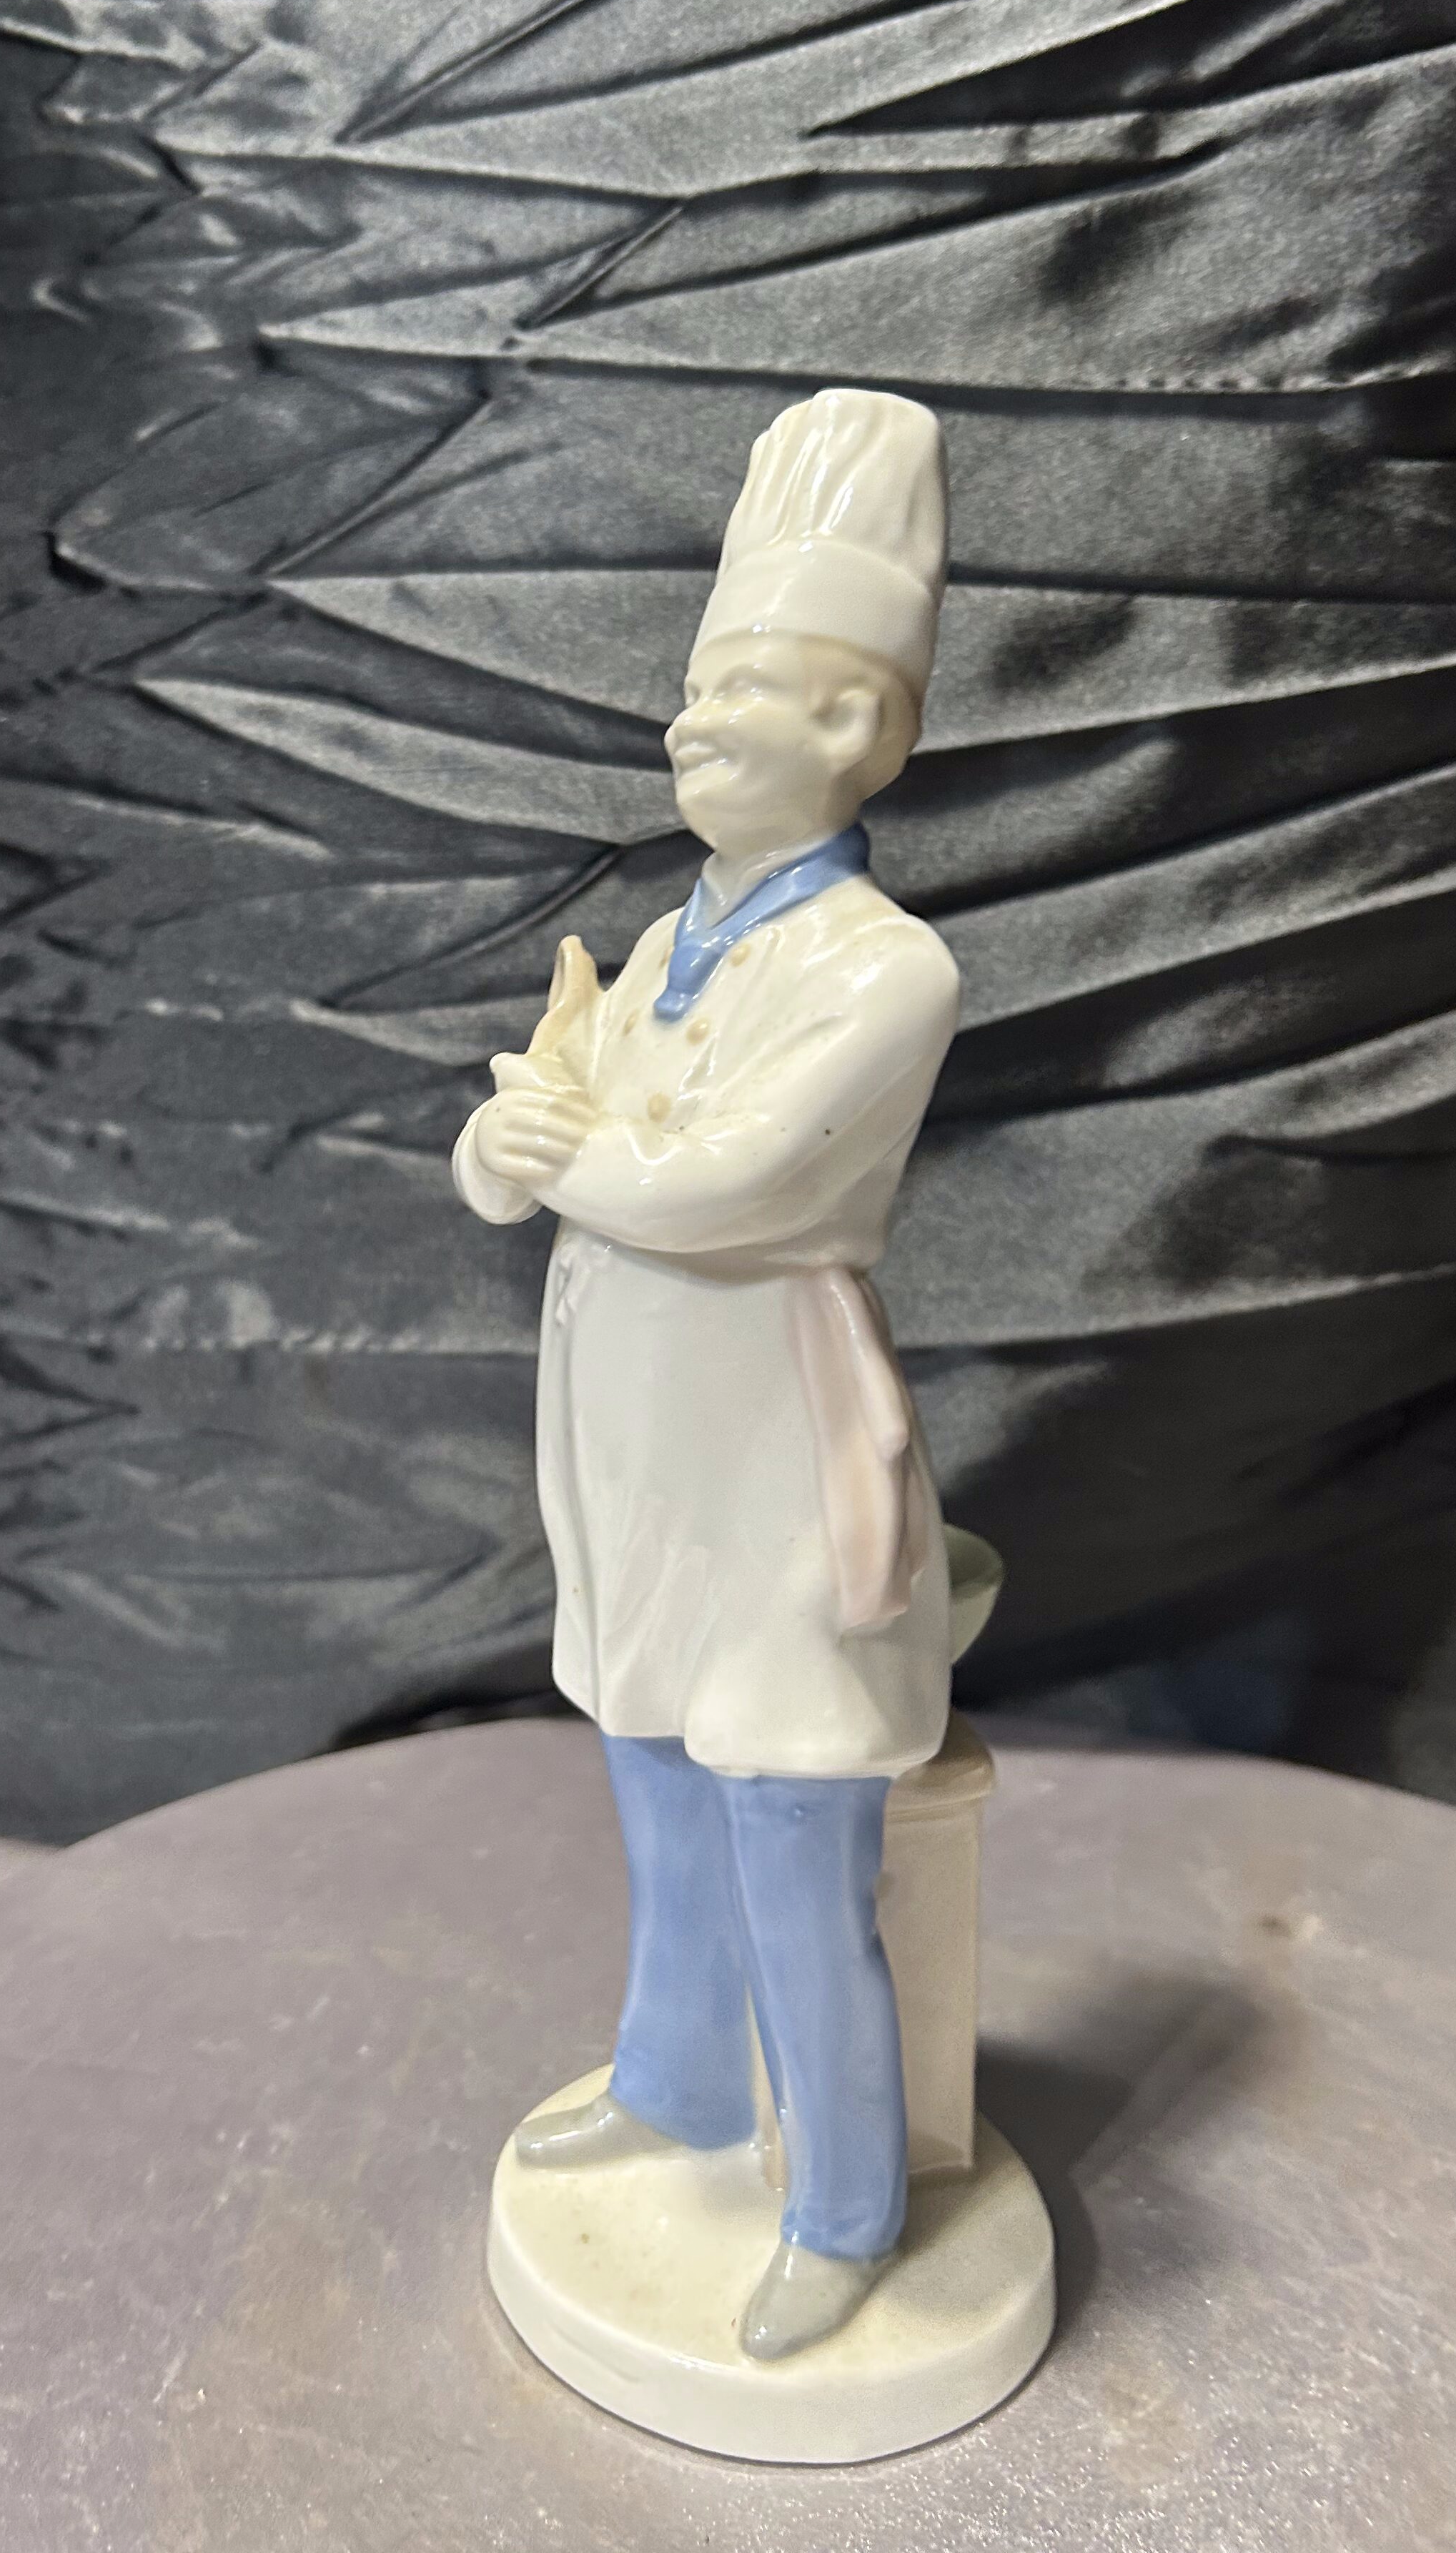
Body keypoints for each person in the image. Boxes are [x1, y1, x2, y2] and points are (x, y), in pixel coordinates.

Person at [453, 387, 961, 2363]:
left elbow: (725, 1183)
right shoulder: (666, 939)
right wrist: (500, 1146)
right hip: (634, 1457)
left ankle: (842, 2203)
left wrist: (570, 1148)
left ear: (855, 725)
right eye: (693, 684)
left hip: (772, 1453)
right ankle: (674, 2080)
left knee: (791, 1826)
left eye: (738, 690)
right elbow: (540, 1130)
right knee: (654, 1777)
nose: (688, 723)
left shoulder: (885, 971)